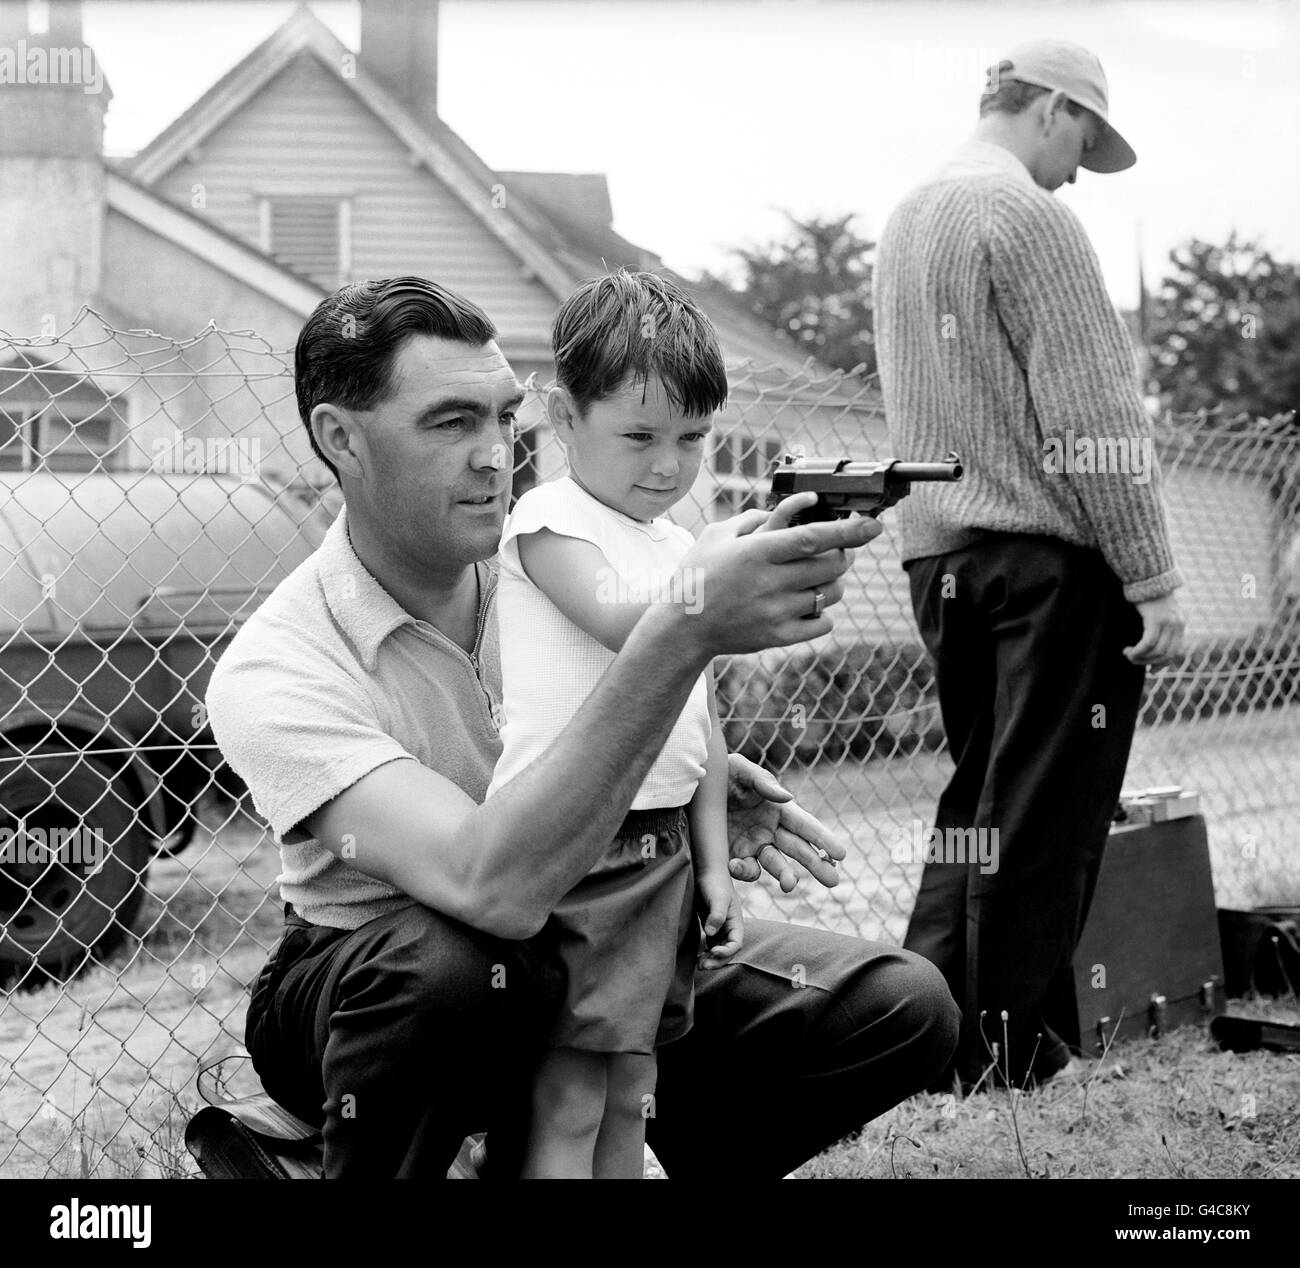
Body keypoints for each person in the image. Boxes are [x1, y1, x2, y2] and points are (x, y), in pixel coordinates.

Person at [206, 274, 959, 1179]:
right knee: (448, 964)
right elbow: (485, 887)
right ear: (341, 438)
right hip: (380, 979)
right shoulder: (277, 665)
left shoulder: (577, 563)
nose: (495, 454)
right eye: (451, 423)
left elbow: (635, 727)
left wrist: (678, 799)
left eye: (503, 418)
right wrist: (682, 634)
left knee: (901, 1005)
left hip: (598, 913)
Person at [872, 40, 1186, 1090]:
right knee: (1042, 818)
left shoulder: (907, 216)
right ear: (1051, 107)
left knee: (975, 808)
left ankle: (916, 1035)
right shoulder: (1028, 217)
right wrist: (1151, 574)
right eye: (1082, 143)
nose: (1076, 172)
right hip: (1046, 563)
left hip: (941, 559)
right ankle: (1004, 1057)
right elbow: (1093, 413)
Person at [488, 271, 744, 1177]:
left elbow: (701, 728)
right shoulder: (548, 522)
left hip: (660, 851)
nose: (669, 465)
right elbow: (623, 621)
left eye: (692, 438)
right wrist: (727, 586)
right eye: (638, 435)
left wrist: (712, 864)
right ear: (562, 417)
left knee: (634, 1079)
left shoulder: (682, 547)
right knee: (569, 1091)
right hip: (574, 849)